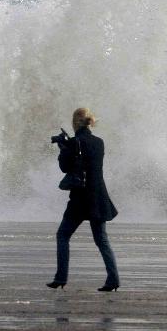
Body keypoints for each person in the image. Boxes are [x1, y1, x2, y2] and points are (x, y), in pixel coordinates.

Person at [48, 107, 120, 292]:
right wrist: (69, 145)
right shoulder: (99, 142)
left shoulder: (74, 143)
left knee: (63, 235)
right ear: (91, 122)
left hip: (80, 198)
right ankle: (113, 279)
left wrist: (63, 147)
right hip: (98, 197)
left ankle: (61, 277)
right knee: (101, 240)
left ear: (74, 123)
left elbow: (65, 168)